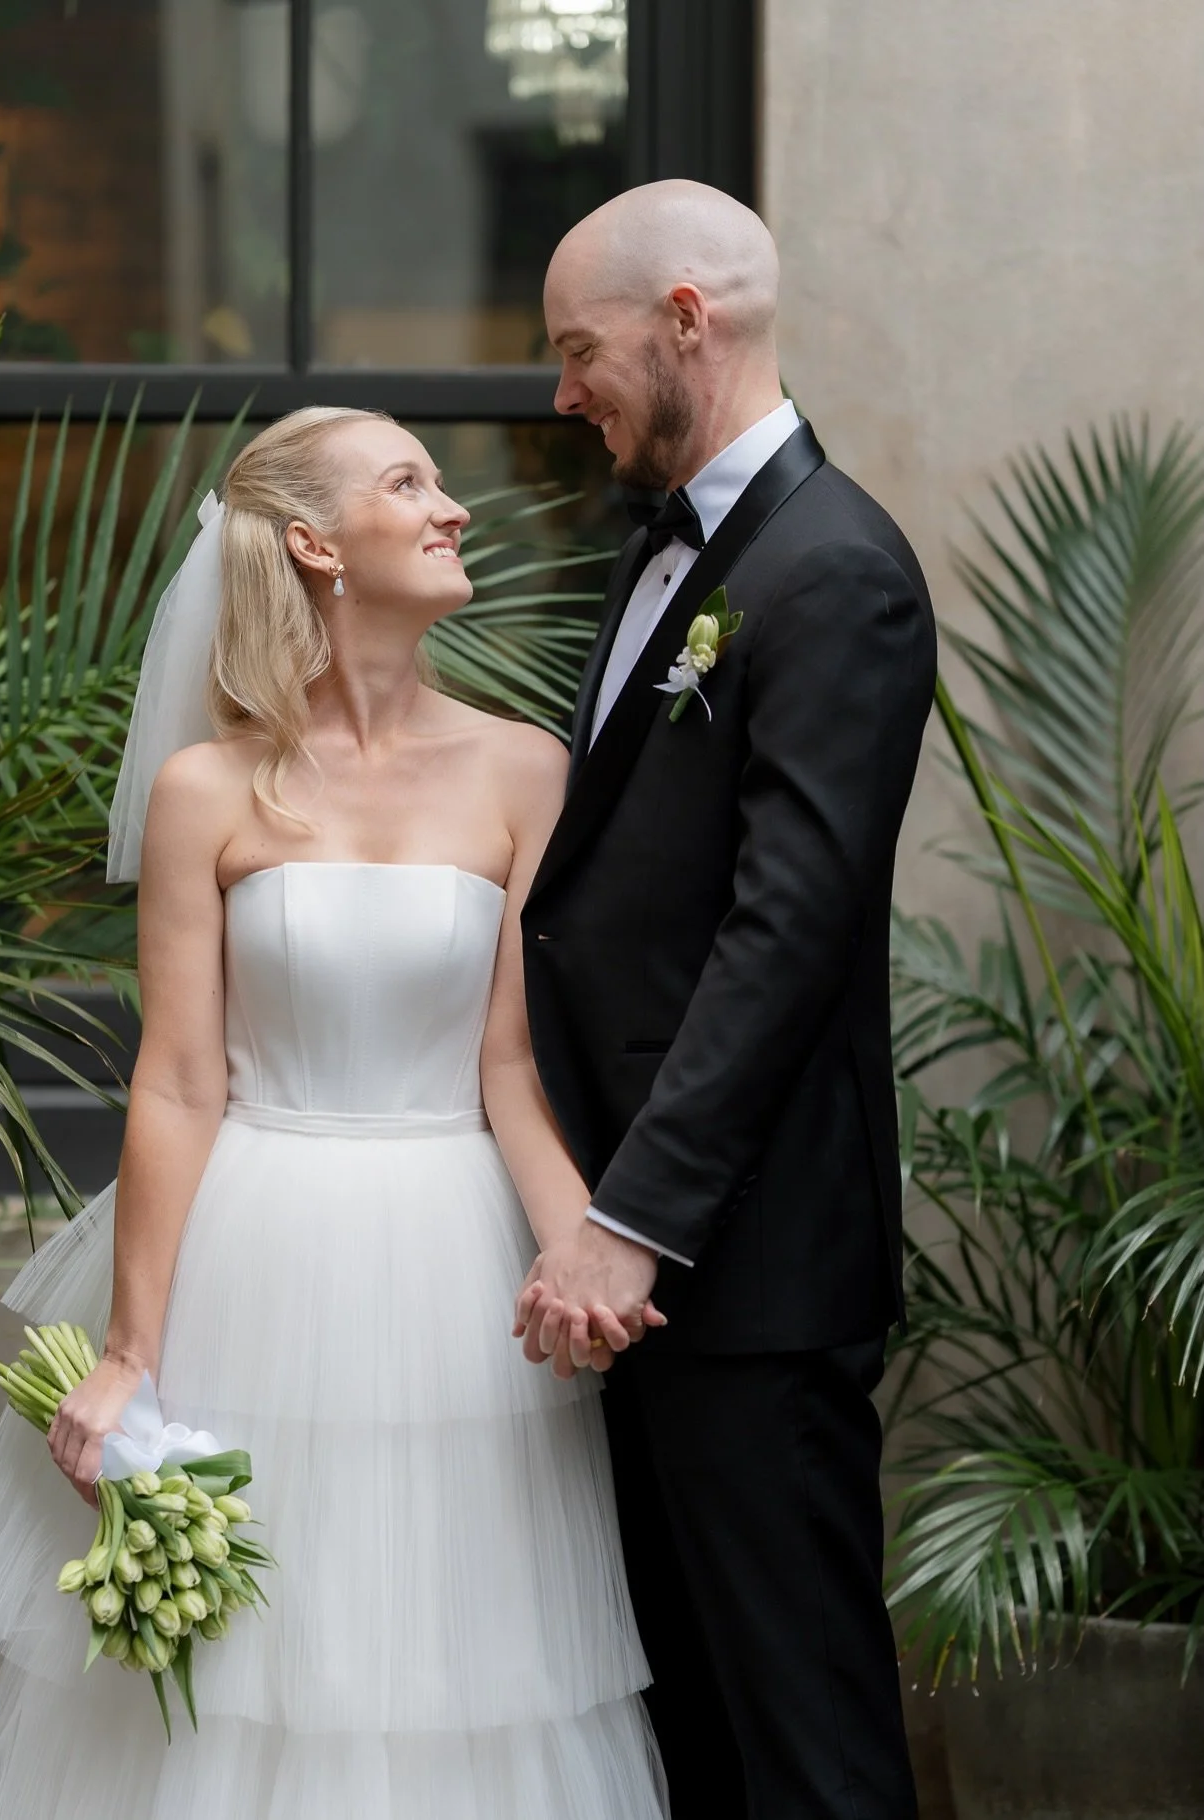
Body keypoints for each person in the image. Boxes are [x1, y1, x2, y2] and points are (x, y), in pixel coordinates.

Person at [0, 406, 670, 1819]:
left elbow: (511, 1069)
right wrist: (131, 1354)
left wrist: (585, 1249)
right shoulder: (206, 791)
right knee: (246, 1681)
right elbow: (178, 1078)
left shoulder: (526, 770)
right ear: (318, 546)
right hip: (254, 1260)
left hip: (455, 1270)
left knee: (460, 1665)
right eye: (412, 482)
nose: (455, 507)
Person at [516, 181, 937, 1819]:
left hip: (737, 1272)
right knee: (692, 1738)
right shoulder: (663, 549)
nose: (562, 395)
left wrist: (637, 1220)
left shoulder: (840, 571)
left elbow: (789, 935)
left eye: (579, 350)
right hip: (633, 1268)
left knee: (805, 1747)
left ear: (685, 317)